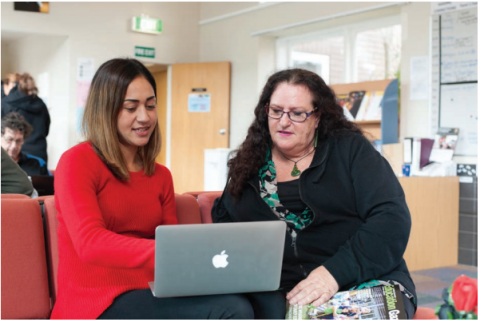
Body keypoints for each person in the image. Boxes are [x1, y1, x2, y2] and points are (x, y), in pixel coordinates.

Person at [50, 58, 257, 319]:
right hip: (95, 301)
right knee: (231, 309)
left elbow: (170, 242)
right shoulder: (77, 162)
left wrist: (200, 263)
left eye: (150, 105)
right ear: (105, 109)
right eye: (131, 107)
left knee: (246, 300)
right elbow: (90, 243)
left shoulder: (160, 175)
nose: (145, 117)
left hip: (152, 290)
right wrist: (173, 251)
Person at [212, 69, 417, 318]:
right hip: (283, 293)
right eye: (276, 111)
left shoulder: (350, 150)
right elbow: (226, 228)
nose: (284, 121)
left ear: (317, 116)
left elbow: (391, 218)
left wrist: (332, 274)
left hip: (362, 278)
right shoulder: (248, 162)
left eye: (297, 113)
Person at [1, 73, 50, 162]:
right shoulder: (41, 104)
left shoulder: (6, 103)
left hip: (15, 154)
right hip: (39, 153)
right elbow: (46, 130)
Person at [1, 112, 51, 176]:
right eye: (10, 139)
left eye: (18, 141)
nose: (14, 146)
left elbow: (49, 184)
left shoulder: (38, 163)